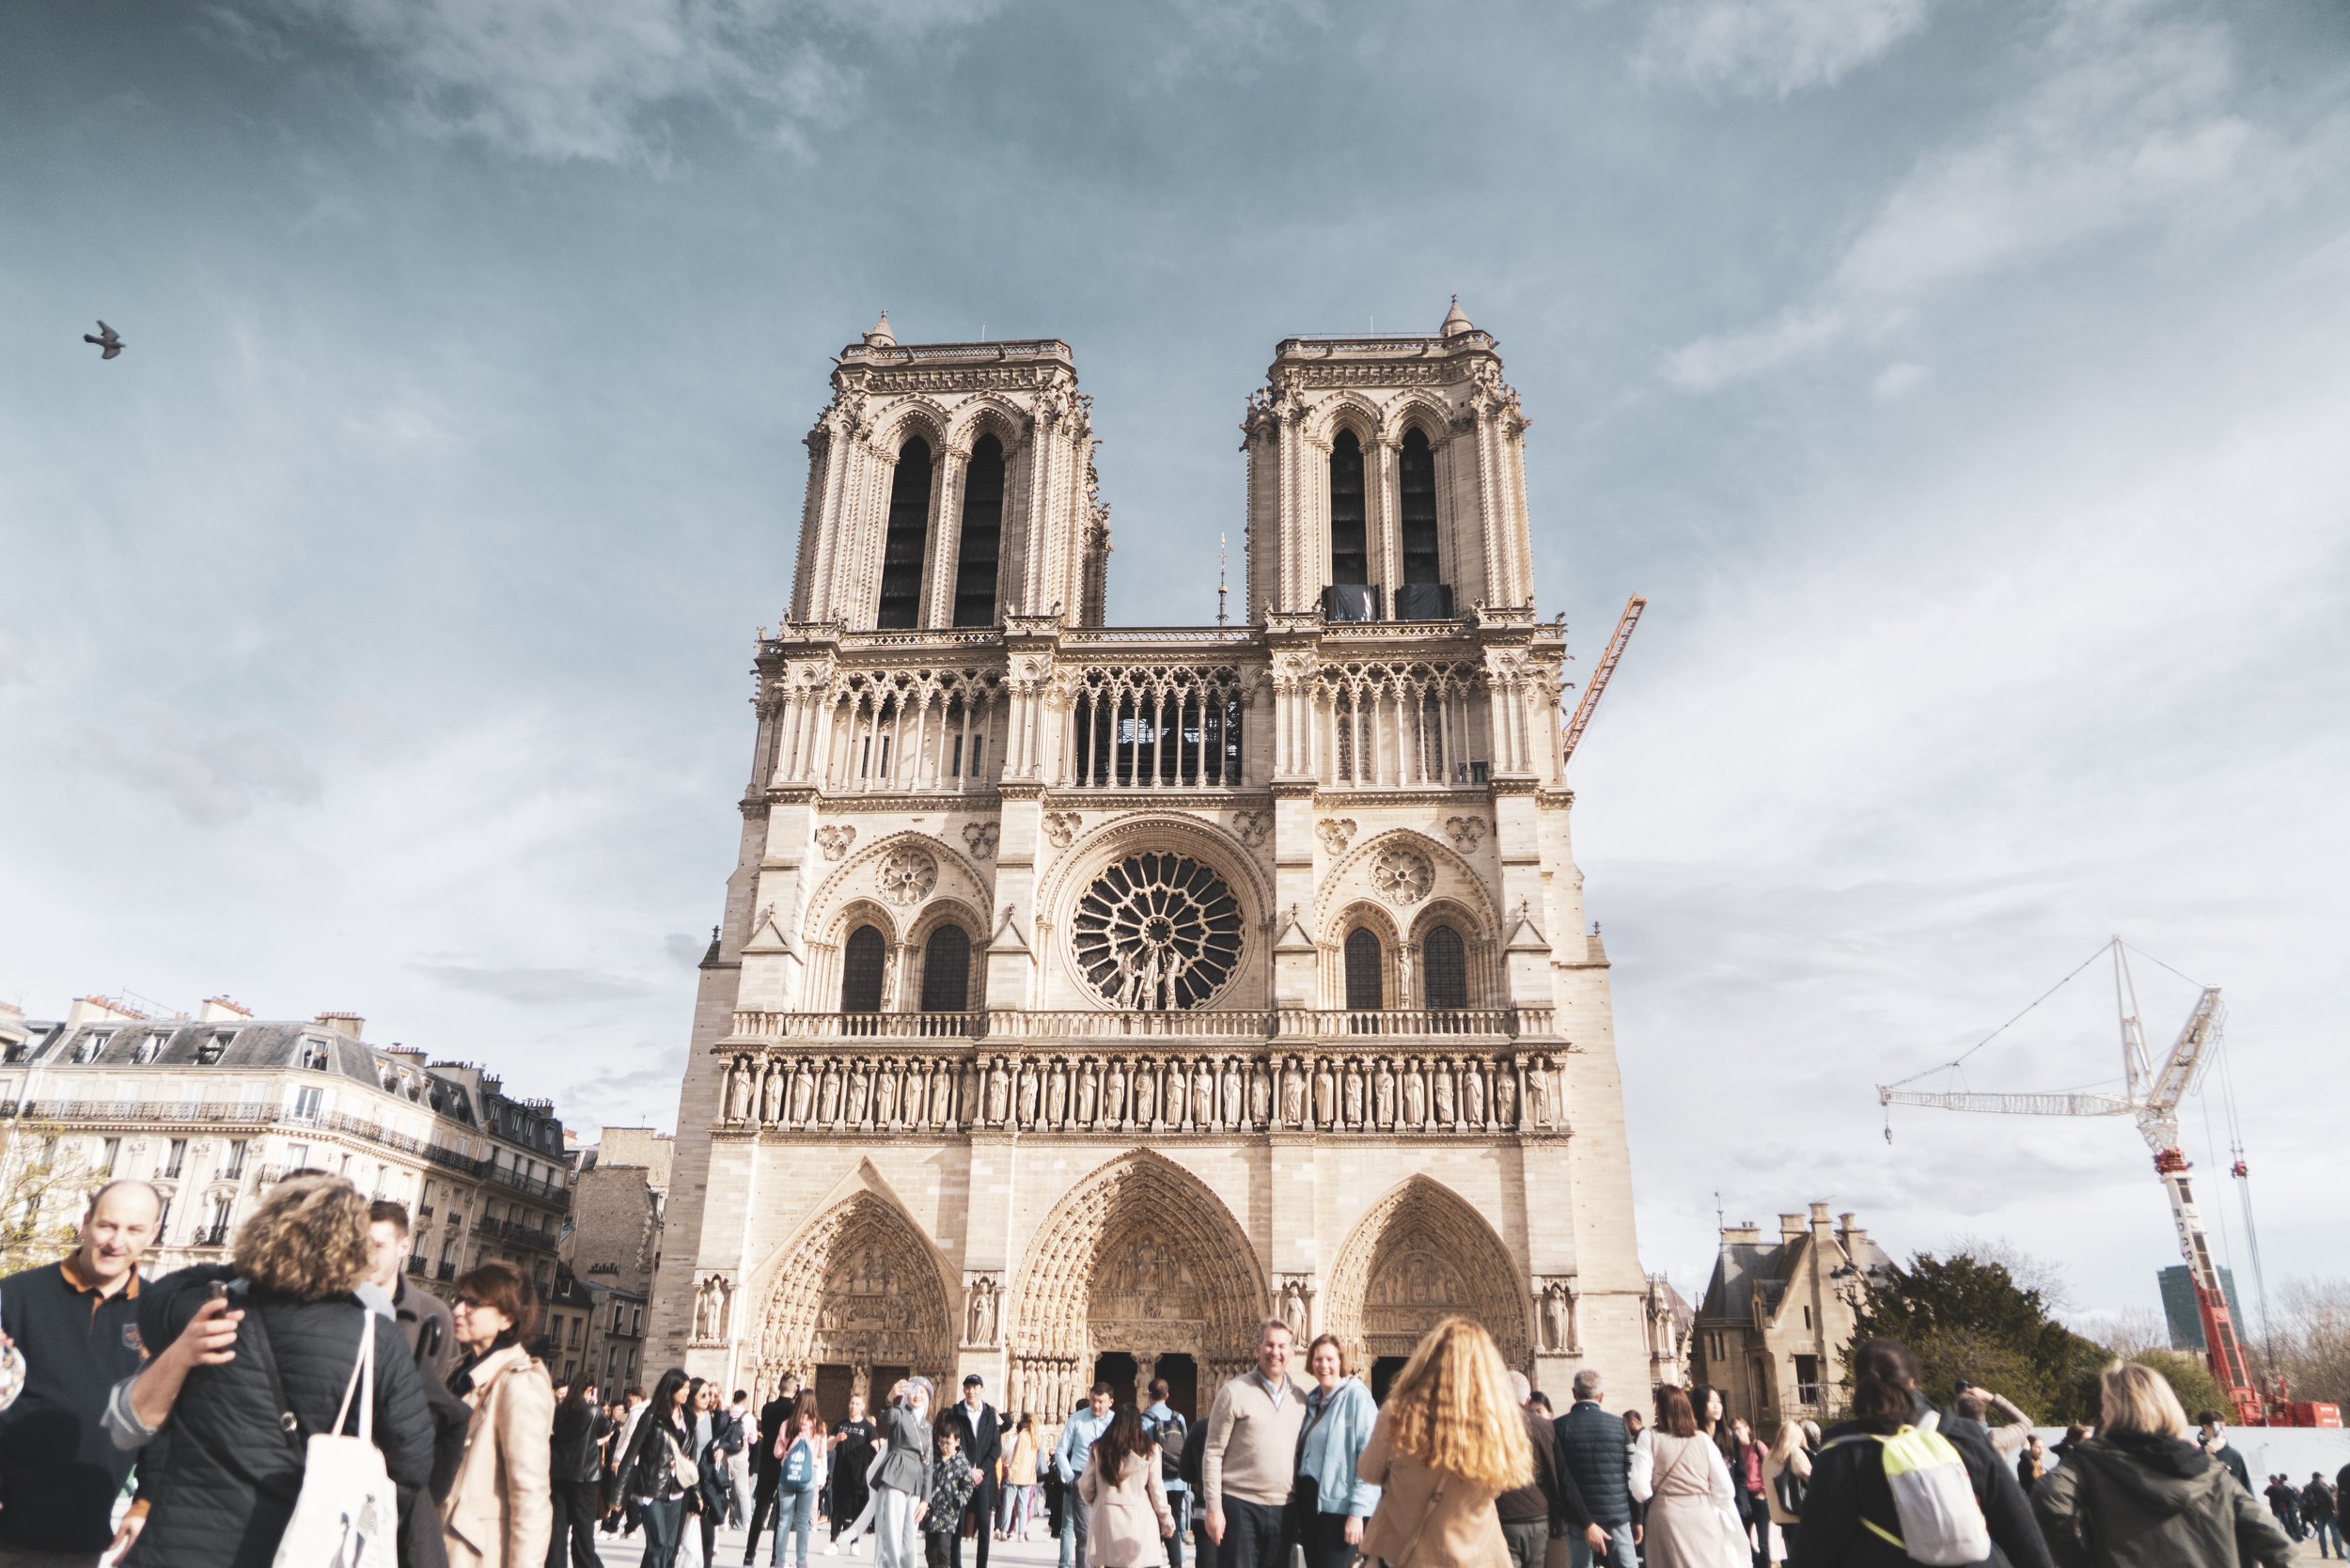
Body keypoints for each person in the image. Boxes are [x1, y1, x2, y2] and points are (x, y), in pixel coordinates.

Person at [118, 1174, 437, 1568]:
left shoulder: (207, 1313)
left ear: (265, 1230)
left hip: (181, 1545)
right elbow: (413, 1465)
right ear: (356, 1249)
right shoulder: (376, 1337)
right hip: (303, 1546)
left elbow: (165, 1294)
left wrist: (257, 1261)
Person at [0, 1180, 163, 1566]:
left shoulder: (161, 1314)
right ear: (86, 1222)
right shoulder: (15, 1296)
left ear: (153, 1233)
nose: (116, 1241)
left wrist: (145, 1502)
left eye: (134, 1230)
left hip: (84, 1533)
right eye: (107, 1225)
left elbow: (165, 1416)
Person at [1791, 1337, 2050, 1568]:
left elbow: (1814, 1549)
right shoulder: (1964, 1437)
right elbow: (2021, 1531)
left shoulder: (1841, 1454)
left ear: (1860, 1387)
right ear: (1913, 1382)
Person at [2031, 1361, 2290, 1568]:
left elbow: (2050, 1499)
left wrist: (2078, 1562)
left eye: (2105, 1404)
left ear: (2113, 1410)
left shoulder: (2089, 1461)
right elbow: (2276, 1543)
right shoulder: (2211, 1470)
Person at [1357, 1317, 1529, 1568]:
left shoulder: (1397, 1415)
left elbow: (1369, 1472)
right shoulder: (1498, 1424)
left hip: (1407, 1557)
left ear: (1428, 1360)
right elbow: (1505, 1482)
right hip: (1474, 1559)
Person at [439, 1259, 555, 1568]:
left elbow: (530, 1496)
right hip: (438, 1540)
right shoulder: (458, 1371)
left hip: (477, 1552)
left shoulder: (520, 1382)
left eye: (473, 1303)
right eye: (459, 1299)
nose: (459, 1309)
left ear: (507, 1318)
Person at [1201, 1320, 1308, 1568]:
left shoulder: (1301, 1399)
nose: (1275, 1352)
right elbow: (1213, 1453)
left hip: (1285, 1508)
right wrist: (1214, 1508)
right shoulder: (1233, 1391)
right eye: (1269, 1345)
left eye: (1282, 1346)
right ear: (1257, 1349)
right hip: (1240, 1505)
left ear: (1292, 1352)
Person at [1294, 1336, 1382, 1568]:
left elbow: (1370, 1458)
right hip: (1312, 1510)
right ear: (1310, 1363)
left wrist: (1357, 1514)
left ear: (1341, 1361)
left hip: (1340, 1513)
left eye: (1330, 1359)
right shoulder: (1312, 1402)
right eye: (1318, 1359)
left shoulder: (1357, 1397)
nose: (1324, 1365)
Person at [1637, 1387, 1745, 1568]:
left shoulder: (1649, 1436)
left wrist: (1655, 1500)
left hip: (1665, 1513)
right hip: (1702, 1512)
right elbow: (1725, 1489)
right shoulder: (1702, 1439)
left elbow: (1639, 1487)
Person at [1554, 1368, 1638, 1568]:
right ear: (1601, 1396)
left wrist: (1585, 1521)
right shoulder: (1619, 1425)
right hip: (1617, 1514)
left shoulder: (1559, 1426)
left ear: (1574, 1393)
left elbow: (1562, 1478)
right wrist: (1638, 1517)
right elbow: (1631, 1474)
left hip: (1579, 1520)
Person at [619, 1369, 697, 1568]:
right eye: (683, 1388)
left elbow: (690, 1459)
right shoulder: (652, 1416)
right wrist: (617, 1496)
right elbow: (630, 1455)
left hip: (676, 1488)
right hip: (651, 1488)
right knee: (659, 1542)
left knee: (669, 1546)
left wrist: (696, 1492)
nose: (687, 1392)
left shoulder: (688, 1417)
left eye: (688, 1388)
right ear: (671, 1388)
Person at [1495, 1370, 1573, 1568]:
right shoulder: (1545, 1426)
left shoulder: (1488, 1427)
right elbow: (1555, 1474)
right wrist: (1558, 1519)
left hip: (1504, 1516)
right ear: (1528, 1400)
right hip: (1539, 1515)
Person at [1081, 1405, 1176, 1568]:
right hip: (1141, 1520)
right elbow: (1157, 1491)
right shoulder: (1149, 1450)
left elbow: (1086, 1485)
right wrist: (1167, 1521)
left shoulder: (1099, 1449)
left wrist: (1097, 1502)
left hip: (1107, 1519)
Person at [872, 1376, 936, 1568]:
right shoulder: (900, 1412)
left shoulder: (927, 1426)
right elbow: (886, 1416)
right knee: (891, 1532)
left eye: (922, 1392)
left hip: (915, 1482)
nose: (917, 1395)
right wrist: (890, 1398)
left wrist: (926, 1499)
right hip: (896, 1474)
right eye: (914, 1390)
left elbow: (928, 1464)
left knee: (909, 1535)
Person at [551, 1379, 613, 1568]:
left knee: (558, 1528)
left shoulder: (558, 1410)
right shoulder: (594, 1411)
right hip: (586, 1476)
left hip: (559, 1474)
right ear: (588, 1390)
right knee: (583, 1529)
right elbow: (604, 1431)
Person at [945, 1374, 1003, 1568]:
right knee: (958, 1524)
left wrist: (982, 1470)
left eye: (975, 1387)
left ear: (982, 1390)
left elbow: (995, 1447)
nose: (971, 1391)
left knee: (985, 1527)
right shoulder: (955, 1412)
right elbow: (949, 1443)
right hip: (961, 1475)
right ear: (963, 1390)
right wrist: (968, 1469)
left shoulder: (989, 1414)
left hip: (984, 1478)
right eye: (968, 1387)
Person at [1057, 1385, 1119, 1568]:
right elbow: (1061, 1450)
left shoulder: (1116, 1423)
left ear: (1111, 1402)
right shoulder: (1077, 1419)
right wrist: (1071, 1477)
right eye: (1093, 1400)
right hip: (1081, 1478)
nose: (1096, 1405)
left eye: (1101, 1401)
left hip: (1108, 1481)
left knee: (1108, 1532)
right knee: (1084, 1534)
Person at [752, 1374, 806, 1565]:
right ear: (795, 1389)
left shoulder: (766, 1408)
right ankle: (776, 1558)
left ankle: (749, 1556)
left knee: (760, 1510)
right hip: (784, 1466)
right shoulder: (794, 1411)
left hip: (766, 1463)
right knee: (782, 1515)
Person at [773, 1394, 830, 1568]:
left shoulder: (787, 1424)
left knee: (784, 1520)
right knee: (803, 1521)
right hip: (808, 1475)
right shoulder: (819, 1426)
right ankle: (801, 1562)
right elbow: (820, 1454)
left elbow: (777, 1452)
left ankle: (779, 1561)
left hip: (789, 1474)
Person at [1139, 1384, 1188, 1566]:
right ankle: (1177, 1564)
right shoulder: (1179, 1417)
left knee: (1152, 1525)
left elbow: (1140, 1450)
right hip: (1178, 1482)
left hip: (1155, 1482)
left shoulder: (1144, 1419)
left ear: (1149, 1395)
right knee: (1173, 1524)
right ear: (1167, 1395)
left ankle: (1152, 1563)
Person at [831, 1394, 880, 1552]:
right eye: (851, 1403)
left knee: (857, 1508)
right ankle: (833, 1541)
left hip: (859, 1475)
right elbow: (828, 1445)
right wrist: (836, 1439)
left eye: (857, 1404)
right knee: (838, 1507)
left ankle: (854, 1542)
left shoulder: (868, 1428)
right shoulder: (840, 1425)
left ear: (862, 1407)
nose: (853, 1406)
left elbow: (876, 1449)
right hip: (841, 1471)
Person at [925, 1428, 979, 1568]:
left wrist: (959, 1499)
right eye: (941, 1443)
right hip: (932, 1513)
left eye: (947, 1443)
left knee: (944, 1551)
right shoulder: (934, 1459)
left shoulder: (961, 1463)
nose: (944, 1447)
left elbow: (967, 1486)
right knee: (930, 1552)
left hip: (949, 1514)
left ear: (957, 1442)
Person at [1764, 1419, 1811, 1562]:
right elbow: (1813, 1478)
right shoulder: (1795, 1454)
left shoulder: (1769, 1456)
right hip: (1797, 1513)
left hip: (1780, 1514)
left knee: (1792, 1556)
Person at [1728, 1415, 1769, 1566]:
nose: (1736, 1433)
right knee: (1743, 1539)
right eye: (1733, 1430)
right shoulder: (1733, 1451)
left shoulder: (1757, 1446)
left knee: (1763, 1542)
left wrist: (1763, 1490)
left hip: (1758, 1496)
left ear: (1747, 1429)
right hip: (1742, 1497)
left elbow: (1770, 1469)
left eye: (1739, 1429)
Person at [999, 1413, 1041, 1542]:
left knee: (1009, 1504)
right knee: (1023, 1506)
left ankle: (1004, 1530)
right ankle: (1022, 1533)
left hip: (1017, 1474)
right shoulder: (1036, 1437)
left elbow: (1017, 1455)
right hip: (1028, 1475)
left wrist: (1011, 1470)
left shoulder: (1022, 1436)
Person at [2192, 1412, 2250, 1494]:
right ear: (2205, 1428)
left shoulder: (2233, 1455)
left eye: (2224, 1427)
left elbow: (2244, 1488)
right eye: (2219, 1428)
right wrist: (2204, 1452)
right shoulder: (2194, 1452)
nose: (2223, 1431)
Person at [731, 1390, 759, 1529]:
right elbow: (753, 1440)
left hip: (723, 1454)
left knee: (722, 1488)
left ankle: (723, 1520)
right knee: (743, 1491)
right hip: (741, 1454)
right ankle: (747, 1523)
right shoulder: (749, 1418)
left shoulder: (727, 1412)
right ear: (745, 1400)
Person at [2304, 1472, 2340, 1560]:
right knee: (2335, 1532)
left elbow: (2304, 1499)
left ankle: (2324, 1554)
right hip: (2328, 1512)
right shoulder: (2323, 1487)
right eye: (2322, 1478)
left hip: (2317, 1513)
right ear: (2319, 1478)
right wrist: (2335, 1510)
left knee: (2321, 1533)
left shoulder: (2308, 1487)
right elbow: (2330, 1499)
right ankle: (2339, 1553)